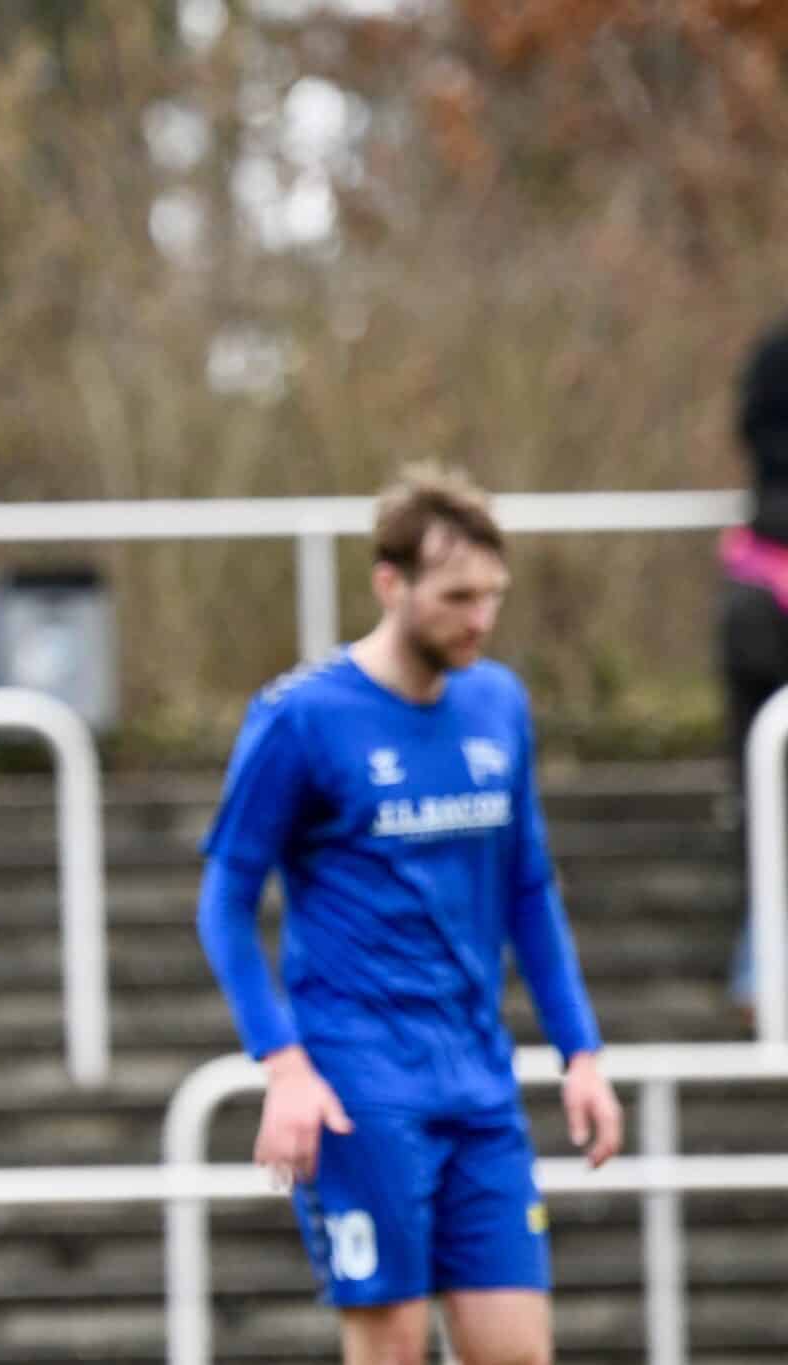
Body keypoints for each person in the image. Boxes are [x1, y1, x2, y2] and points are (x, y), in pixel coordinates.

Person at [196, 464, 623, 1365]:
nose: (480, 617)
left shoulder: (498, 702)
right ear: (391, 584)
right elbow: (225, 902)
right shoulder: (303, 716)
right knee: (392, 1351)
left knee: (518, 1351)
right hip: (361, 1084)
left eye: (492, 595)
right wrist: (284, 1065)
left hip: (479, 1080)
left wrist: (580, 1050)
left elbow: (528, 886)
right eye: (457, 596)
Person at [720, 319, 788, 1023]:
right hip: (764, 587)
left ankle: (756, 968)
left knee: (760, 785)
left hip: (758, 572)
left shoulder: (769, 355)